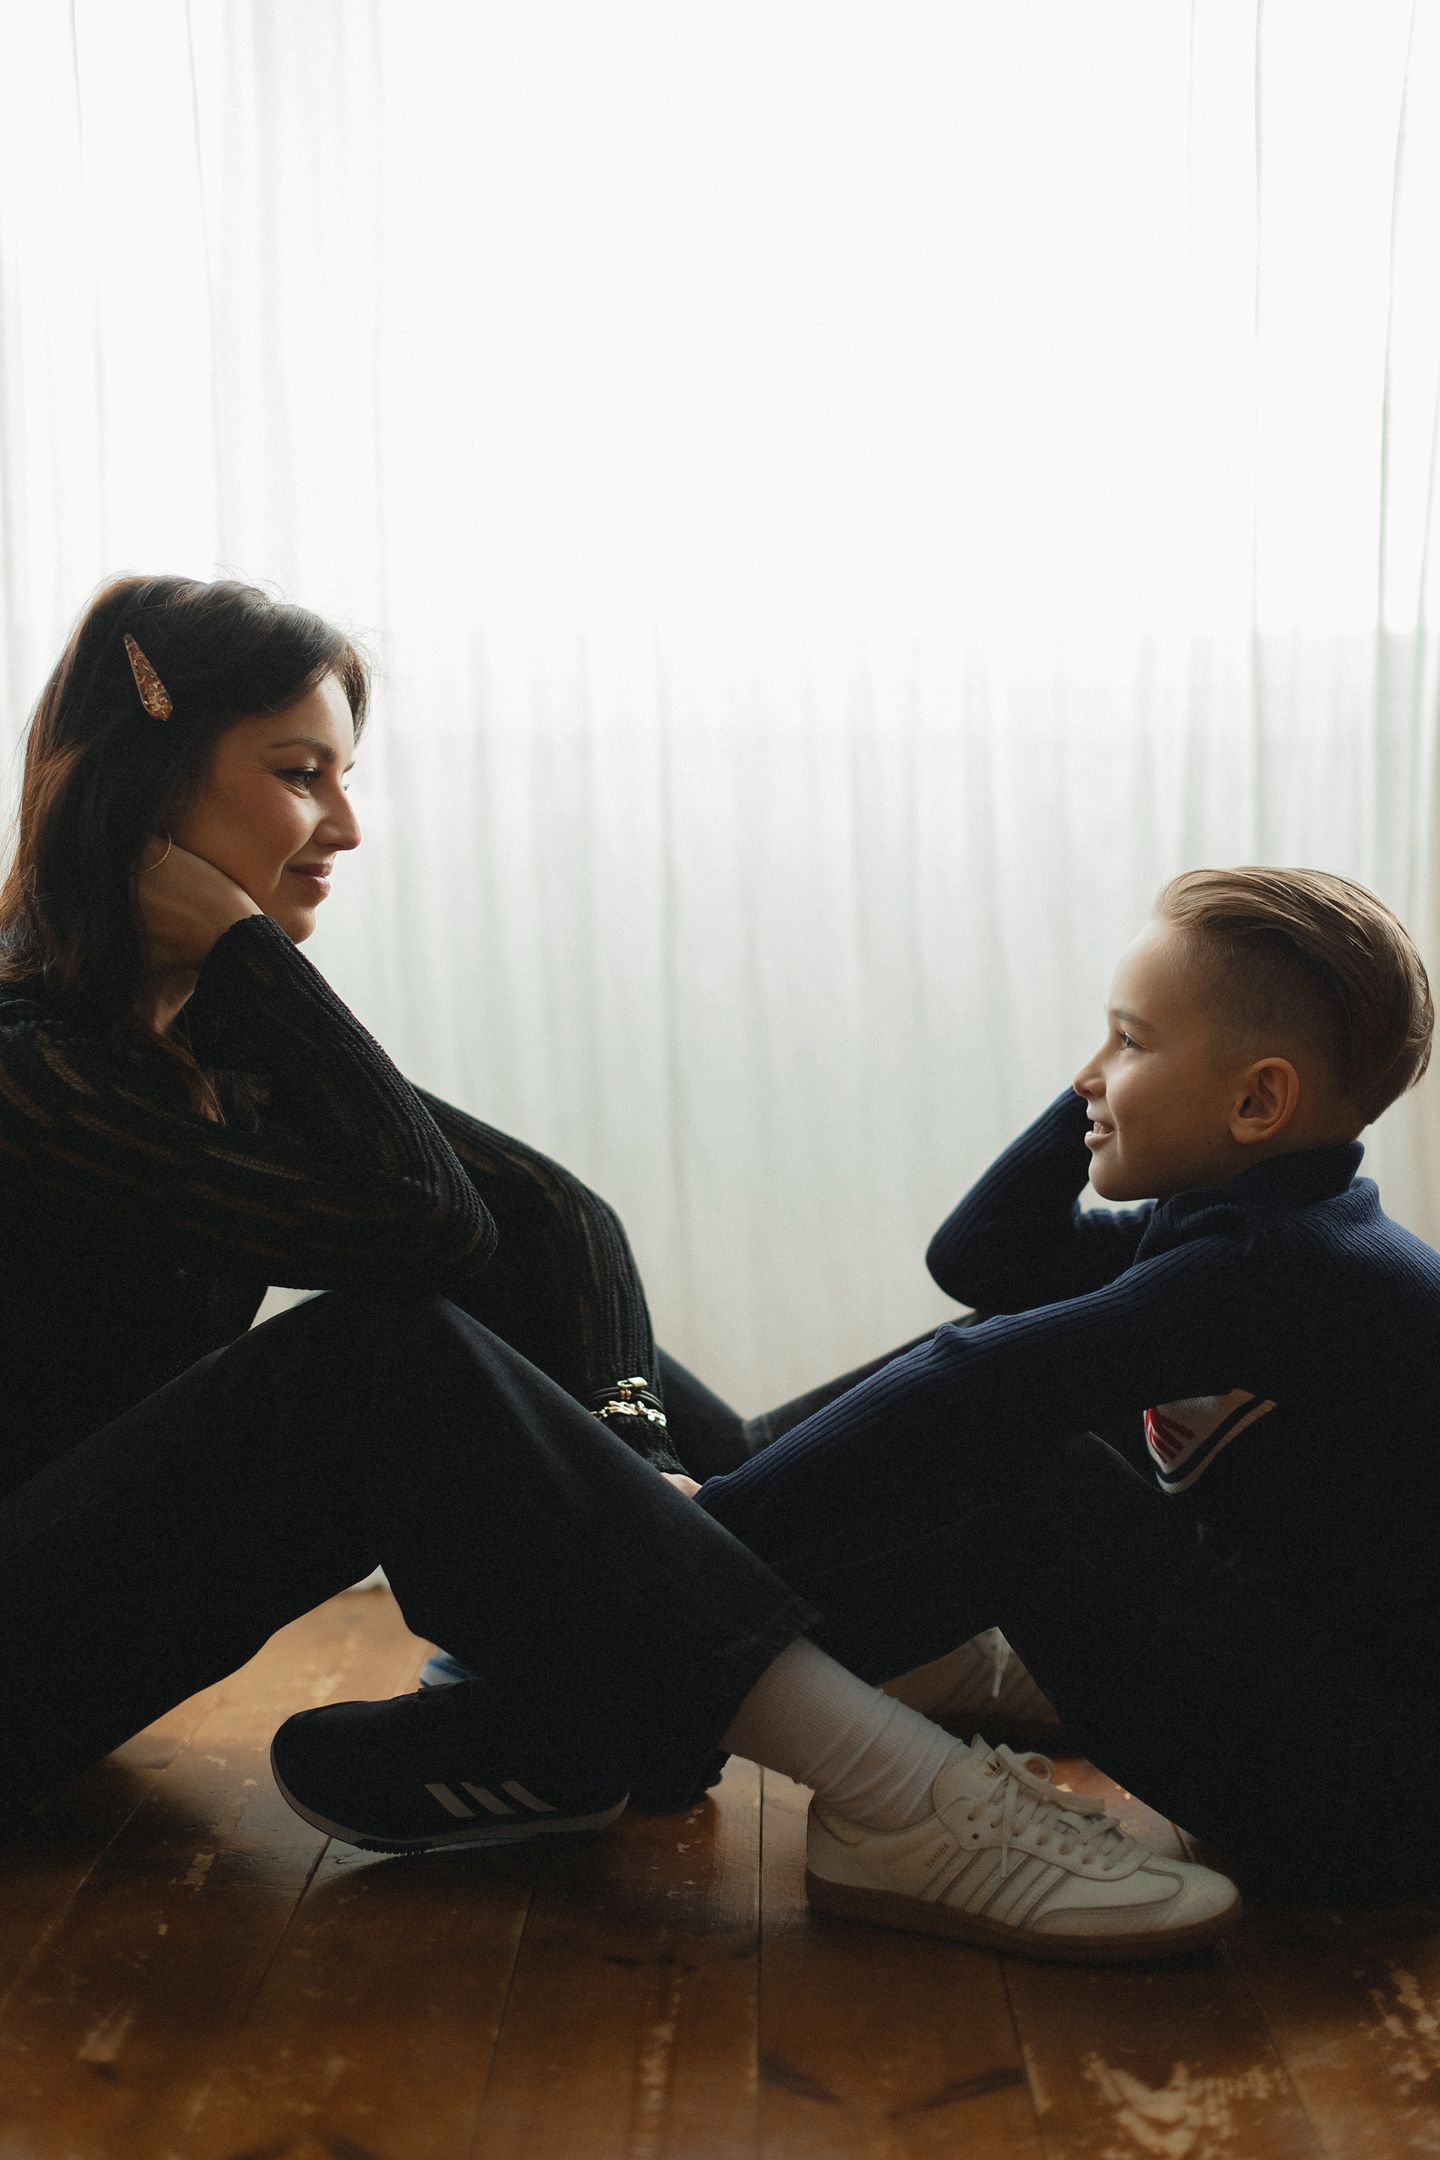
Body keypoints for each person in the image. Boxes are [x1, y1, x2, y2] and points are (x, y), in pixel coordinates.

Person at [0, 573, 1237, 1968]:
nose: (344, 825)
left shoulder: (186, 1040)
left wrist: (632, 1452)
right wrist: (251, 960)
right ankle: (897, 1789)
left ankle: (798, 1655)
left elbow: (548, 1218)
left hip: (74, 1609)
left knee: (527, 1346)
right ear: (149, 777)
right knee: (381, 1353)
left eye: (345, 777)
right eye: (300, 775)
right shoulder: (28, 1063)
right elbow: (424, 1221)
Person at [694, 865, 1440, 1906]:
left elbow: (975, 1386)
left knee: (1026, 1459)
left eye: (1128, 1042)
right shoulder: (1248, 1230)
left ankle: (678, 1610)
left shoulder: (1276, 1270)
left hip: (1369, 1801)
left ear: (1257, 1101)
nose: (1089, 1072)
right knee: (1013, 1350)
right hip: (1321, 1725)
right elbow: (985, 1260)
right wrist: (1100, 1096)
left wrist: (717, 1530)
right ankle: (703, 1550)